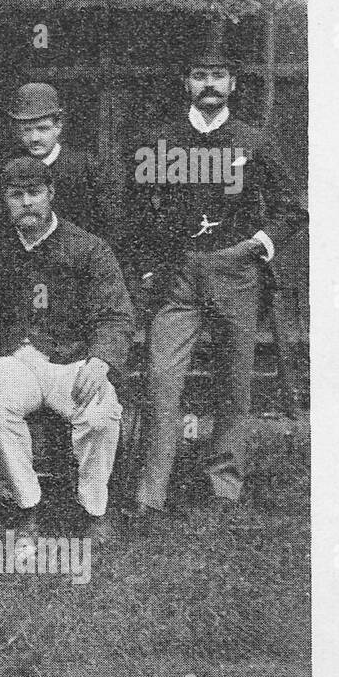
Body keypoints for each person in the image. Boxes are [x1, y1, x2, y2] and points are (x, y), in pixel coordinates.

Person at [122, 26, 308, 528]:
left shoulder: (252, 140)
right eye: (200, 75)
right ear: (187, 83)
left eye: (218, 76)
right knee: (163, 378)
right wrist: (149, 264)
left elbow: (292, 209)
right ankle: (152, 489)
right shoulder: (161, 141)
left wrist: (255, 246)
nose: (209, 84)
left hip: (235, 271)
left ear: (231, 84)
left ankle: (225, 481)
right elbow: (136, 211)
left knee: (234, 378)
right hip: (178, 275)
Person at [0, 156, 135, 540]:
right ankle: (27, 504)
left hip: (70, 360)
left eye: (34, 193)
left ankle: (93, 508)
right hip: (11, 357)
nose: (26, 202)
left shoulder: (87, 248)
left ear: (51, 194)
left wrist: (101, 361)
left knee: (101, 413)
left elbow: (116, 314)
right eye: (16, 195)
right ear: (5, 200)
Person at [5, 82, 114, 238]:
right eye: (26, 130)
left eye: (42, 129)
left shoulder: (86, 168)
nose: (34, 138)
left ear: (58, 126)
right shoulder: (7, 168)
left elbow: (105, 228)